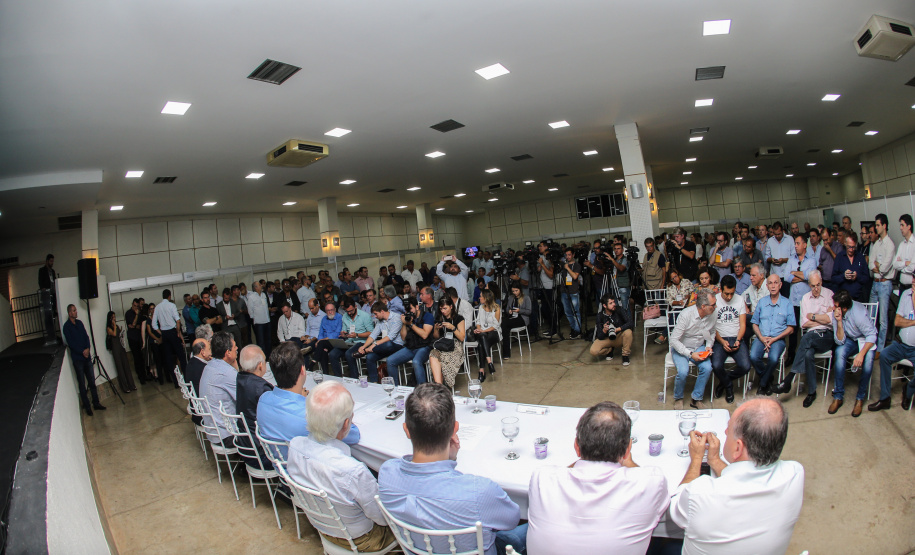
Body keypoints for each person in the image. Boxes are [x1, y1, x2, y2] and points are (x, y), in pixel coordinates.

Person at [378, 383, 527, 555]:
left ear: (407, 430)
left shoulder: (386, 474)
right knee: (534, 526)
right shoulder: (479, 491)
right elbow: (512, 520)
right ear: (455, 429)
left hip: (418, 548)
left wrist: (449, 458)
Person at [527, 402, 667, 555]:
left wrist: (585, 454)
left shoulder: (541, 478)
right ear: (627, 450)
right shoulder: (651, 481)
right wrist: (628, 461)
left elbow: (561, 472)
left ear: (576, 446)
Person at [671, 398, 804, 554]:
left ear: (738, 448)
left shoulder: (700, 494)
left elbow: (676, 510)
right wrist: (715, 460)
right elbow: (745, 480)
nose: (725, 432)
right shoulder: (795, 474)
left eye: (728, 428)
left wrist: (696, 459)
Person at [286, 381, 396, 551]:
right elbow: (382, 518)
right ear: (346, 424)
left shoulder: (294, 445)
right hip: (362, 538)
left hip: (321, 525)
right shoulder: (353, 471)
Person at [257, 341, 360, 453]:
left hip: (277, 460)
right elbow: (353, 435)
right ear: (303, 370)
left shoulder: (263, 399)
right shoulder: (311, 415)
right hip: (307, 462)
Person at [772, 270, 834, 406]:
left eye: (818, 285)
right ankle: (812, 392)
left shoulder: (829, 295)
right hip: (811, 336)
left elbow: (831, 321)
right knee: (808, 353)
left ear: (821, 282)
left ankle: (788, 379)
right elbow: (803, 324)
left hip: (826, 336)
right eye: (813, 286)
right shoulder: (805, 298)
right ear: (809, 285)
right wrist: (823, 318)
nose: (816, 288)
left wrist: (813, 317)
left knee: (807, 338)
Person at [828, 290, 877, 417]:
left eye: (836, 306)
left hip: (865, 340)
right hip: (850, 339)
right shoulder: (836, 313)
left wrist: (861, 354)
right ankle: (838, 396)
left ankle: (860, 398)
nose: (833, 308)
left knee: (868, 362)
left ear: (844, 308)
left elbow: (872, 335)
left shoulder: (859, 314)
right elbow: (839, 341)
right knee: (839, 353)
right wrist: (839, 321)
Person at [669, 289, 717, 410]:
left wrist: (708, 346)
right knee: (683, 371)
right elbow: (674, 340)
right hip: (681, 347)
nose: (716, 307)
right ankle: (678, 398)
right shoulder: (686, 315)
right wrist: (690, 354)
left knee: (707, 368)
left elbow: (711, 331)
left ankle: (696, 399)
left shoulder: (712, 313)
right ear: (703, 306)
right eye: (713, 305)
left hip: (699, 346)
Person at [872, 278, 915, 412]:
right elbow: (897, 321)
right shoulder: (906, 294)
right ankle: (885, 398)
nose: (913, 282)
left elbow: (903, 320)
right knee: (884, 355)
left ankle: (908, 390)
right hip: (900, 344)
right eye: (913, 279)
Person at [749, 274, 795, 396]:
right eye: (770, 283)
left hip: (778, 339)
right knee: (753, 357)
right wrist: (761, 338)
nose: (773, 286)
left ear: (780, 285)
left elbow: (791, 328)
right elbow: (754, 323)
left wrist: (774, 339)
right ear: (767, 286)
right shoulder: (762, 302)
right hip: (761, 338)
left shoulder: (787, 303)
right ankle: (769, 379)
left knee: (773, 359)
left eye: (776, 283)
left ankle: (763, 384)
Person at [710, 275, 749, 404]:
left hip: (736, 337)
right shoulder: (714, 300)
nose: (729, 297)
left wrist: (738, 340)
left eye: (732, 293)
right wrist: (722, 341)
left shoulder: (740, 300)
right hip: (719, 339)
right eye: (726, 293)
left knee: (746, 366)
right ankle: (728, 386)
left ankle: (723, 381)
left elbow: (743, 324)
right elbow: (711, 326)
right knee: (716, 365)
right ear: (721, 289)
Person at [62, 304, 106, 415]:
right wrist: (82, 351)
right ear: (69, 313)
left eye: (76, 310)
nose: (76, 312)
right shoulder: (66, 327)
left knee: (92, 381)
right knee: (82, 384)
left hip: (86, 357)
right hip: (78, 359)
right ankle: (87, 407)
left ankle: (96, 403)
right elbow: (71, 343)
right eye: (74, 310)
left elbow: (86, 337)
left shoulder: (80, 323)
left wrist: (87, 349)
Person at [235, 345, 273, 468]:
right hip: (262, 455)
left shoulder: (240, 378)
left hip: (244, 447)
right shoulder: (261, 388)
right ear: (260, 365)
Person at [198, 332, 239, 446]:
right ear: (228, 353)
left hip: (213, 431)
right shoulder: (226, 372)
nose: (237, 348)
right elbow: (245, 399)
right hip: (227, 435)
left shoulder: (209, 366)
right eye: (234, 346)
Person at [386, 297, 435, 386]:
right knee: (390, 361)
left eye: (410, 309)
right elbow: (403, 337)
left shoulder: (427, 316)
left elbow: (424, 335)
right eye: (407, 310)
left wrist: (411, 324)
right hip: (411, 347)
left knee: (416, 361)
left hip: (425, 347)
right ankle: (394, 388)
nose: (409, 312)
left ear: (417, 307)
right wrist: (404, 323)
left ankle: (422, 389)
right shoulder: (408, 318)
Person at [357, 302, 404, 383]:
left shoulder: (396, 317)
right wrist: (364, 346)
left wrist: (374, 345)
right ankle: (374, 382)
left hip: (397, 345)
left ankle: (366, 351)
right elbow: (373, 335)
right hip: (383, 346)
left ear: (382, 311)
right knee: (370, 357)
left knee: (388, 344)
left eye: (376, 314)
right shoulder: (380, 321)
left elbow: (391, 337)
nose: (375, 316)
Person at [868, 214, 895, 353]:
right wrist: (878, 265)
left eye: (878, 225)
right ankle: (870, 345)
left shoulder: (890, 245)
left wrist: (877, 265)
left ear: (884, 226)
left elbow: (884, 269)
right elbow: (870, 264)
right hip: (875, 282)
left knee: (882, 320)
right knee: (871, 316)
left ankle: (880, 349)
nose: (876, 227)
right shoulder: (876, 244)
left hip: (885, 284)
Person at [429, 297, 467, 388]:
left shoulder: (459, 318)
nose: (443, 311)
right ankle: (439, 386)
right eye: (441, 309)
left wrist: (452, 328)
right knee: (433, 354)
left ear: (451, 307)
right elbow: (436, 337)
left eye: (445, 308)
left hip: (455, 346)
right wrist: (436, 329)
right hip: (443, 345)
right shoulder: (440, 318)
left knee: (442, 359)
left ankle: (440, 387)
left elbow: (462, 338)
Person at [152, 289, 186, 386]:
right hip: (173, 332)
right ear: (169, 296)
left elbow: (154, 325)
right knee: (181, 356)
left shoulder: (157, 307)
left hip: (164, 333)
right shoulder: (172, 305)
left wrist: (161, 332)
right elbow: (178, 320)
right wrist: (178, 332)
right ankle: (186, 378)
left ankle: (175, 382)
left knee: (169, 358)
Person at [589, 294, 633, 365]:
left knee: (628, 332)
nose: (614, 304)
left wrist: (618, 329)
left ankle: (625, 355)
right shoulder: (600, 316)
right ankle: (609, 350)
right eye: (611, 303)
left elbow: (630, 323)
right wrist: (604, 330)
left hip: (619, 337)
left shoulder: (619, 310)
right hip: (608, 339)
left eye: (614, 302)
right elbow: (600, 336)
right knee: (593, 351)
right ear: (604, 306)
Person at [832, 231, 871, 302]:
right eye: (849, 247)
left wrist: (857, 276)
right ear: (845, 243)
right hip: (843, 299)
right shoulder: (839, 257)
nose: (851, 250)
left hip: (858, 298)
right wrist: (844, 276)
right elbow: (834, 278)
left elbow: (866, 278)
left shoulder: (860, 257)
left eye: (853, 247)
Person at [106, 310, 136, 393]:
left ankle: (131, 385)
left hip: (121, 346)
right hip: (115, 348)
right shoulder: (109, 328)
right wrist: (114, 326)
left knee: (126, 366)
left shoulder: (117, 326)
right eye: (112, 317)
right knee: (120, 368)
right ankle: (125, 387)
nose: (114, 319)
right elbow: (114, 334)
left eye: (114, 317)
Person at [311, 302, 344, 373]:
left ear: (335, 309)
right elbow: (321, 333)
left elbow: (337, 334)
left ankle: (313, 361)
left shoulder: (340, 318)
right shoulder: (324, 319)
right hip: (325, 343)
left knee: (321, 344)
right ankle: (326, 374)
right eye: (328, 310)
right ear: (325, 311)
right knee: (323, 350)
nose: (330, 312)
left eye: (331, 310)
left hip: (336, 342)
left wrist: (321, 341)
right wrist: (320, 340)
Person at [558, 247, 583, 339]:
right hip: (564, 291)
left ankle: (577, 330)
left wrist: (567, 268)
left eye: (569, 255)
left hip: (573, 291)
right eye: (566, 255)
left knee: (575, 311)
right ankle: (573, 328)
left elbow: (575, 277)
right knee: (567, 312)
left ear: (573, 255)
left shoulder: (577, 265)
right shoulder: (563, 265)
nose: (567, 257)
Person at [500, 283, 530, 359]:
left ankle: (506, 353)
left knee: (505, 325)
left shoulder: (526, 298)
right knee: (504, 325)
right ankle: (506, 352)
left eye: (516, 291)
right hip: (512, 317)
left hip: (522, 318)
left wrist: (519, 310)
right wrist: (509, 311)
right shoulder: (511, 298)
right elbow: (507, 309)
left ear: (520, 290)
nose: (515, 293)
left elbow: (529, 311)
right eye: (513, 291)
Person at [536, 241, 558, 337]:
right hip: (542, 287)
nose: (539, 248)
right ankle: (550, 327)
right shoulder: (542, 257)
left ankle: (554, 329)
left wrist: (543, 264)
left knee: (550, 309)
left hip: (550, 287)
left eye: (541, 246)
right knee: (544, 309)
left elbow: (551, 275)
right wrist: (539, 267)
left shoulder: (550, 258)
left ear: (546, 247)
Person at [765, 222, 793, 296]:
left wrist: (783, 260)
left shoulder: (789, 239)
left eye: (779, 234)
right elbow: (766, 257)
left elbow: (794, 257)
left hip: (786, 275)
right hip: (774, 275)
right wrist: (771, 260)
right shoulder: (770, 241)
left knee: (786, 297)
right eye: (775, 234)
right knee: (774, 297)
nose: (777, 236)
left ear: (782, 231)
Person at [246, 281, 272, 357]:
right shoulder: (251, 297)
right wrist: (254, 318)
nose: (261, 286)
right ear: (255, 287)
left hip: (267, 321)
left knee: (268, 340)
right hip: (259, 323)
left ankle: (269, 355)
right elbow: (250, 310)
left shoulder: (264, 294)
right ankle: (263, 357)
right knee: (261, 341)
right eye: (259, 285)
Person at [124, 299, 147, 384]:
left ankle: (144, 375)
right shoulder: (129, 313)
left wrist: (136, 325)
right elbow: (133, 324)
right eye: (134, 306)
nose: (135, 308)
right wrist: (136, 316)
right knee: (137, 358)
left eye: (137, 306)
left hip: (139, 338)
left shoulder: (140, 313)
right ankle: (140, 377)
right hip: (132, 338)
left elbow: (140, 325)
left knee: (141, 357)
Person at [893, 214, 915, 287]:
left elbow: (912, 268)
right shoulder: (901, 244)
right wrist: (905, 263)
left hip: (912, 286)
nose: (900, 228)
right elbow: (895, 264)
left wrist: (901, 267)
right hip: (902, 285)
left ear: (909, 226)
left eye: (902, 225)